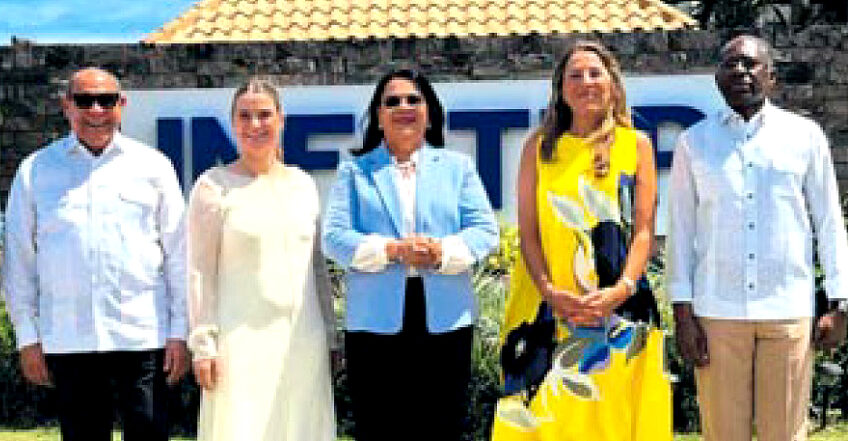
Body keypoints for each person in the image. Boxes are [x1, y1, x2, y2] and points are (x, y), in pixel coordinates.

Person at [667, 35, 848, 441]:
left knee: (784, 434)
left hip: (787, 308)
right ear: (717, 78)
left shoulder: (804, 136)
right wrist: (682, 313)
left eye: (750, 64)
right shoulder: (693, 143)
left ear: (772, 76)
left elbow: (829, 222)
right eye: (730, 64)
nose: (740, 72)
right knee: (722, 434)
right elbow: (681, 229)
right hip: (717, 313)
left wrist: (841, 302)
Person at [491, 41, 671, 440]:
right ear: (560, 88)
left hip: (621, 312)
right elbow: (529, 232)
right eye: (575, 75)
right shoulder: (539, 147)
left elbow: (643, 230)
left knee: (612, 421)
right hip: (546, 309)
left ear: (613, 84)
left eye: (595, 73)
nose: (586, 82)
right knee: (546, 419)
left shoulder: (636, 145)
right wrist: (551, 292)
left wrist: (620, 291)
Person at [2, 67, 189, 441]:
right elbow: (19, 260)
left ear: (122, 104)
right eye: (85, 100)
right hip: (70, 338)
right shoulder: (35, 170)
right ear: (67, 106)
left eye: (106, 100)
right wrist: (27, 337)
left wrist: (179, 332)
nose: (96, 110)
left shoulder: (153, 166)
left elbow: (179, 255)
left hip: (143, 336)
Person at [322, 68, 498, 441]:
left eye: (413, 99)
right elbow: (334, 237)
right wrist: (390, 250)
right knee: (378, 428)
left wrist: (440, 253)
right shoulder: (354, 172)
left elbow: (484, 231)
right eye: (392, 101)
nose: (403, 107)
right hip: (374, 322)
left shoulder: (458, 168)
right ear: (378, 117)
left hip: (445, 319)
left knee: (442, 428)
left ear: (429, 113)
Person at [187, 78, 337, 441]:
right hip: (239, 345)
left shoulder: (303, 184)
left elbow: (317, 268)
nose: (255, 124)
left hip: (304, 341)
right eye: (245, 116)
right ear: (233, 123)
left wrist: (331, 336)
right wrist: (203, 344)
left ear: (281, 120)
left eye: (265, 115)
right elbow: (199, 272)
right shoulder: (213, 186)